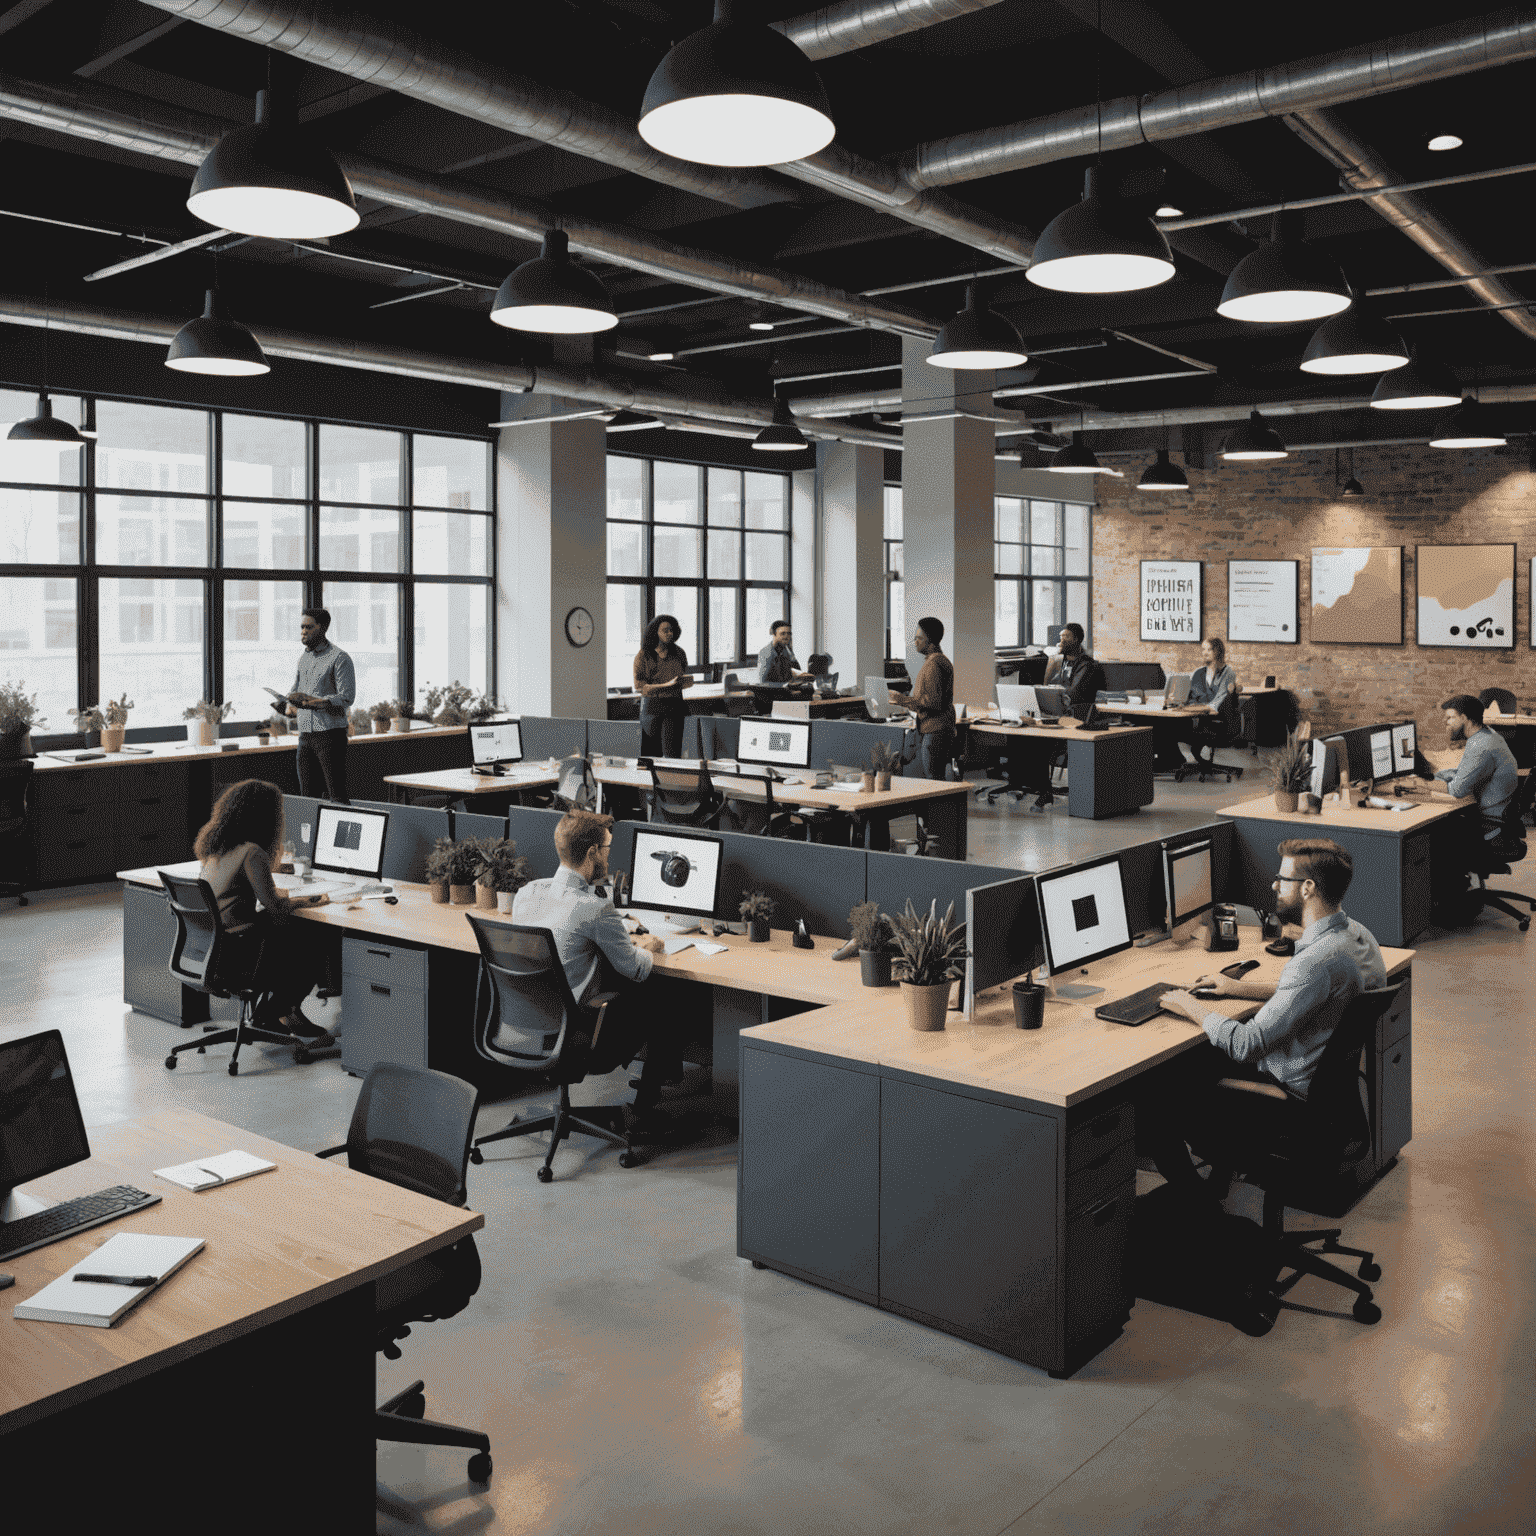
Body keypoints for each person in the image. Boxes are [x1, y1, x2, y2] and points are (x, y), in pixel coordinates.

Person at [1142, 838, 1384, 1200]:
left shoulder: (1314, 961)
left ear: (1307, 888)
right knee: (1199, 1059)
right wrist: (1234, 989)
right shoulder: (1350, 939)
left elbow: (1247, 1045)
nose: (1273, 885)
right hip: (1327, 1098)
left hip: (1289, 1101)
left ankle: (1200, 1203)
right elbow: (1308, 994)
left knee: (1159, 1094)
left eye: (1282, 879)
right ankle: (1219, 1183)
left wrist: (1189, 1006)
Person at [511, 810, 688, 1135]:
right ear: (592, 852)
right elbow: (634, 969)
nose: (609, 856)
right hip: (583, 1038)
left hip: (533, 1026)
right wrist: (648, 946)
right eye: (606, 849)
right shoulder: (595, 909)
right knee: (666, 998)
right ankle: (644, 1110)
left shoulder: (527, 895)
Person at [193, 778, 334, 1048]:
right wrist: (302, 901)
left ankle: (283, 1014)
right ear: (266, 817)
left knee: (291, 933)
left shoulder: (216, 849)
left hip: (214, 946)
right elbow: (275, 908)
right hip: (239, 949)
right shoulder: (251, 852)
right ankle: (271, 1014)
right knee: (314, 941)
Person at [1402, 694, 1519, 840]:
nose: (1446, 722)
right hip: (1499, 815)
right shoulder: (1488, 735)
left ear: (1464, 718)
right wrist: (1436, 777)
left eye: (1450, 717)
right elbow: (1465, 772)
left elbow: (1457, 790)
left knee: (1428, 831)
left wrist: (1421, 784)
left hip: (1490, 825)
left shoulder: (1480, 745)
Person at [282, 607, 355, 804]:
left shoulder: (339, 658)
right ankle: (313, 835)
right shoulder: (304, 658)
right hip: (305, 735)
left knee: (336, 795)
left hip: (330, 735)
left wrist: (315, 702)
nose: (303, 631)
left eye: (308, 627)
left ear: (322, 628)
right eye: (302, 627)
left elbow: (347, 697)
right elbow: (296, 688)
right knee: (307, 797)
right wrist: (290, 704)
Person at [890, 616, 954, 779]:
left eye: (919, 638)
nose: (915, 642)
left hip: (935, 729)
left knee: (934, 778)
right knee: (934, 776)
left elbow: (933, 702)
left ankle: (938, 805)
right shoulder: (937, 661)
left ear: (930, 640)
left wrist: (900, 699)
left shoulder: (934, 664)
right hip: (935, 728)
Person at [633, 613, 693, 759]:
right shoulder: (644, 655)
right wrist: (666, 685)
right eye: (665, 630)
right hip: (652, 707)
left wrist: (683, 683)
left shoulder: (679, 653)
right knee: (651, 753)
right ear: (656, 632)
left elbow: (683, 675)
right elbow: (639, 686)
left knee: (673, 753)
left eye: (671, 630)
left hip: (675, 705)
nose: (669, 633)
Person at [1178, 635, 1239, 769]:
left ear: (1218, 651)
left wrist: (1196, 709)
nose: (1204, 653)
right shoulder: (1198, 673)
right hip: (1195, 718)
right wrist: (1182, 704)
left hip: (1217, 724)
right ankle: (1174, 759)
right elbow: (1189, 698)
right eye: (1203, 649)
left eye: (1209, 649)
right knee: (1166, 725)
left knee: (1177, 728)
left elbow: (1217, 704)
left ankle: (1187, 756)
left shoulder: (1228, 674)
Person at [1043, 622, 1106, 718]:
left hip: (1078, 715)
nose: (1061, 641)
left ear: (1076, 640)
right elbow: (1046, 688)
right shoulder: (1059, 661)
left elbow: (1073, 695)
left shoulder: (1087, 664)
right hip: (1059, 712)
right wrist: (1052, 662)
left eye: (1066, 637)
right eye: (1061, 637)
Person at [756, 620, 812, 685]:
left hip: (785, 689)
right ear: (774, 634)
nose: (786, 637)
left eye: (789, 633)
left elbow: (792, 671)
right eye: (783, 634)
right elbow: (764, 683)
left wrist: (800, 676)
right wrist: (787, 685)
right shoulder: (766, 653)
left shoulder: (786, 649)